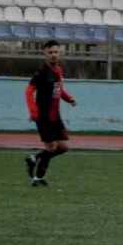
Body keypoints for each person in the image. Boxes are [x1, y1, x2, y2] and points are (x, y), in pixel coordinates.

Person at [25, 40, 78, 187]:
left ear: (59, 53)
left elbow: (59, 89)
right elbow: (28, 92)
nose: (53, 55)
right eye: (50, 52)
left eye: (56, 52)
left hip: (55, 115)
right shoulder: (41, 73)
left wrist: (69, 99)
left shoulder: (58, 71)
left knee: (63, 147)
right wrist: (34, 111)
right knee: (51, 147)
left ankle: (34, 158)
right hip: (43, 116)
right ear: (45, 54)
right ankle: (38, 179)